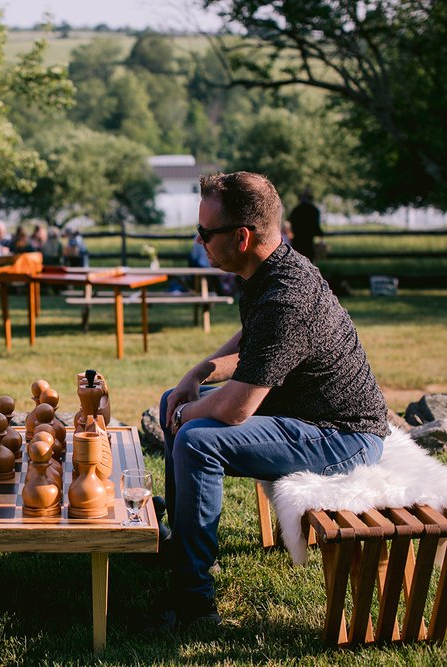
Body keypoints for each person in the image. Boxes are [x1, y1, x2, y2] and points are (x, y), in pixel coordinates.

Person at [155, 172, 388, 630]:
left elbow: (235, 409)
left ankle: (194, 604)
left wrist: (187, 413)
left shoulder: (288, 294)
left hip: (342, 436)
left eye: (205, 233)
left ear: (241, 237)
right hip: (305, 415)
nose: (199, 241)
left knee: (197, 439)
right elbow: (256, 340)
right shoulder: (270, 272)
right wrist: (198, 372)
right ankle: (183, 547)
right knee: (173, 403)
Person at [288, 189, 324, 262]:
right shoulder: (314, 210)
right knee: (309, 264)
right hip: (309, 243)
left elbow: (290, 224)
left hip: (297, 243)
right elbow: (317, 228)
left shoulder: (296, 210)